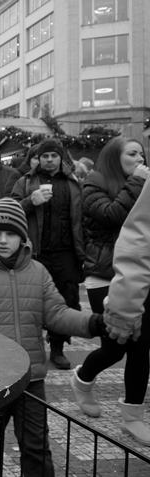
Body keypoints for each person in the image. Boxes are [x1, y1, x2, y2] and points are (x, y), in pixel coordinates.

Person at [0, 198, 105, 477]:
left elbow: (56, 313)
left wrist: (94, 324)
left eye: (11, 234)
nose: (3, 240)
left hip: (31, 378)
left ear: (22, 237)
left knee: (36, 444)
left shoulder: (37, 271)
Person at [70, 137, 150, 443]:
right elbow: (111, 214)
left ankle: (133, 415)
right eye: (132, 153)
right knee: (115, 347)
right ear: (114, 157)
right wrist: (138, 183)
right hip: (104, 276)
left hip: (139, 276)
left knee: (140, 346)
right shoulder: (94, 183)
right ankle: (83, 378)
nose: (139, 159)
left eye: (141, 154)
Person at [11, 139, 85, 370]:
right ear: (38, 158)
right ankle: (29, 349)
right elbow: (9, 210)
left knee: (64, 300)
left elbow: (82, 218)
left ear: (61, 158)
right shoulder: (26, 182)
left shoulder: (73, 183)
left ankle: (58, 348)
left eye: (54, 156)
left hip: (66, 253)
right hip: (35, 253)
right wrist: (30, 201)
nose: (50, 160)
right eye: (45, 156)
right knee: (31, 301)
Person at [100, 173, 150, 443]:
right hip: (107, 274)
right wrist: (124, 308)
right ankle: (132, 414)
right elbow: (138, 242)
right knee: (127, 349)